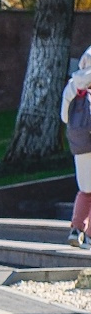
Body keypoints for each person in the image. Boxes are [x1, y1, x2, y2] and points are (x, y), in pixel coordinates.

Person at [64, 47, 91, 247]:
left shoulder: (73, 85)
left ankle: (76, 230)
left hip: (80, 144)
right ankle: (89, 236)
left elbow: (65, 116)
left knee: (85, 189)